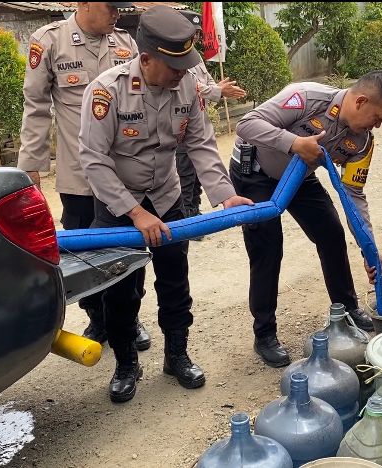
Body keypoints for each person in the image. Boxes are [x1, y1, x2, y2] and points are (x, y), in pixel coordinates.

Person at [78, 5, 253, 402]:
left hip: (167, 197)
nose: (182, 73)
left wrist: (225, 197)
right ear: (145, 58)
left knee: (175, 282)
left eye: (185, 65)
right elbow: (94, 160)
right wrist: (136, 214)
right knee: (120, 290)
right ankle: (126, 363)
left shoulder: (187, 85)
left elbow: (200, 144)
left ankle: (176, 355)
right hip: (120, 206)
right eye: (174, 66)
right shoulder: (106, 91)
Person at [231, 71, 382, 367]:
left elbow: (354, 195)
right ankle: (265, 334)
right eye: (378, 117)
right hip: (256, 173)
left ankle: (347, 311)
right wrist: (294, 143)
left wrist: (369, 249)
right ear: (361, 101)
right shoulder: (307, 98)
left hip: (299, 178)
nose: (378, 125)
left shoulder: (362, 141)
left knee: (331, 234)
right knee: (267, 249)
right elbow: (247, 125)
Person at [16, 2, 151, 350]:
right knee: (83, 251)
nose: (117, 14)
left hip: (123, 176)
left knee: (129, 248)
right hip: (78, 176)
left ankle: (130, 317)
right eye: (110, 6)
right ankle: (97, 318)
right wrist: (31, 165)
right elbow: (36, 107)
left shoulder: (126, 42)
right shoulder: (50, 41)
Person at [176, 10, 247, 235]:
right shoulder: (176, 55)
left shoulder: (194, 57)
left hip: (198, 122)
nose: (196, 38)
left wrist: (216, 88)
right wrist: (217, 90)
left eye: (198, 33)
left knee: (199, 170)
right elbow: (193, 88)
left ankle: (194, 210)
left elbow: (205, 83)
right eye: (192, 33)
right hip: (180, 125)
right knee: (185, 173)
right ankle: (187, 215)